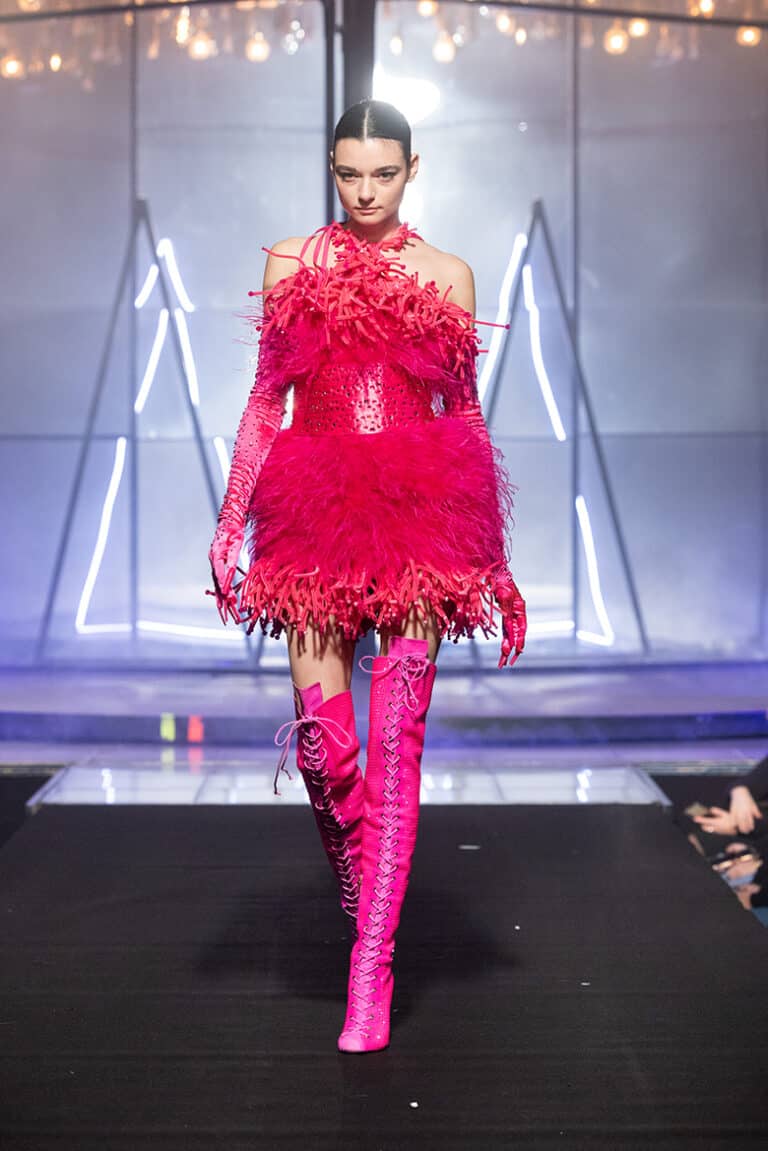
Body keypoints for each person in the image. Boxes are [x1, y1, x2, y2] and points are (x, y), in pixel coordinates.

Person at [207, 99, 527, 1054]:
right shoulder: (292, 264)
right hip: (312, 513)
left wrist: (497, 564)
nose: (366, 191)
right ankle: (360, 867)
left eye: (383, 173)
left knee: (397, 746)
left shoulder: (447, 275)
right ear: (332, 168)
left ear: (412, 169)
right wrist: (231, 524)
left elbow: (463, 416)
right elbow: (268, 400)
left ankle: (371, 966)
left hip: (423, 516)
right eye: (349, 173)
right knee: (323, 746)